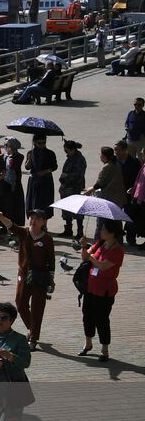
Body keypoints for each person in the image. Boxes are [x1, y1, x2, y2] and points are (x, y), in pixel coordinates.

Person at [0, 208, 54, 349]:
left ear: (43, 222)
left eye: (37, 219)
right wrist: (1, 216)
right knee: (20, 303)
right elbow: (11, 226)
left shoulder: (47, 239)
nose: (33, 221)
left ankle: (33, 339)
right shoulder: (24, 233)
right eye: (31, 218)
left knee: (37, 307)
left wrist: (51, 280)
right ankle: (32, 329)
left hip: (40, 276)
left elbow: (51, 261)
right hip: (24, 274)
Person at [79, 220, 125, 362]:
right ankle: (88, 343)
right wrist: (83, 246)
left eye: (104, 229)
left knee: (102, 319)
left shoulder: (117, 250)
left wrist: (90, 257)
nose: (101, 231)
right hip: (90, 286)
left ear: (112, 233)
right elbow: (85, 257)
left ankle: (104, 349)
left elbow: (103, 266)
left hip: (105, 289)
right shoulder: (100, 243)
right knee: (87, 314)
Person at [24, 134, 58, 223]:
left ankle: (44, 224)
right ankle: (33, 223)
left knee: (44, 203)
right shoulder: (30, 153)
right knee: (33, 203)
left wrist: (45, 172)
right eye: (40, 143)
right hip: (34, 181)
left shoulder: (50, 153)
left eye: (44, 143)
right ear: (34, 143)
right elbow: (27, 167)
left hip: (46, 181)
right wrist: (29, 160)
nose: (42, 145)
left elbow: (54, 166)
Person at [59, 140, 88, 239]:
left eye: (66, 150)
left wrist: (67, 175)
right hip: (66, 187)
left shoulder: (79, 159)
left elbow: (79, 174)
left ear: (72, 149)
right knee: (66, 209)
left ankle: (80, 231)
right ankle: (68, 229)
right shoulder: (70, 158)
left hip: (76, 187)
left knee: (78, 210)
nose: (65, 152)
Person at [115, 140, 142, 245]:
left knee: (130, 218)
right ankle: (118, 239)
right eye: (115, 150)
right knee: (116, 217)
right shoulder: (114, 162)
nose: (116, 152)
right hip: (117, 194)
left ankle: (131, 240)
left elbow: (138, 178)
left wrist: (134, 189)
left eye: (118, 150)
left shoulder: (134, 163)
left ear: (125, 150)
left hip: (129, 195)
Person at [4, 138, 26, 226]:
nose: (5, 148)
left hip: (15, 184)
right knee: (6, 206)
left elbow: (12, 166)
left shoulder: (19, 156)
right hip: (5, 183)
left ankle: (15, 224)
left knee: (15, 205)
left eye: (7, 146)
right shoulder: (5, 155)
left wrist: (11, 156)